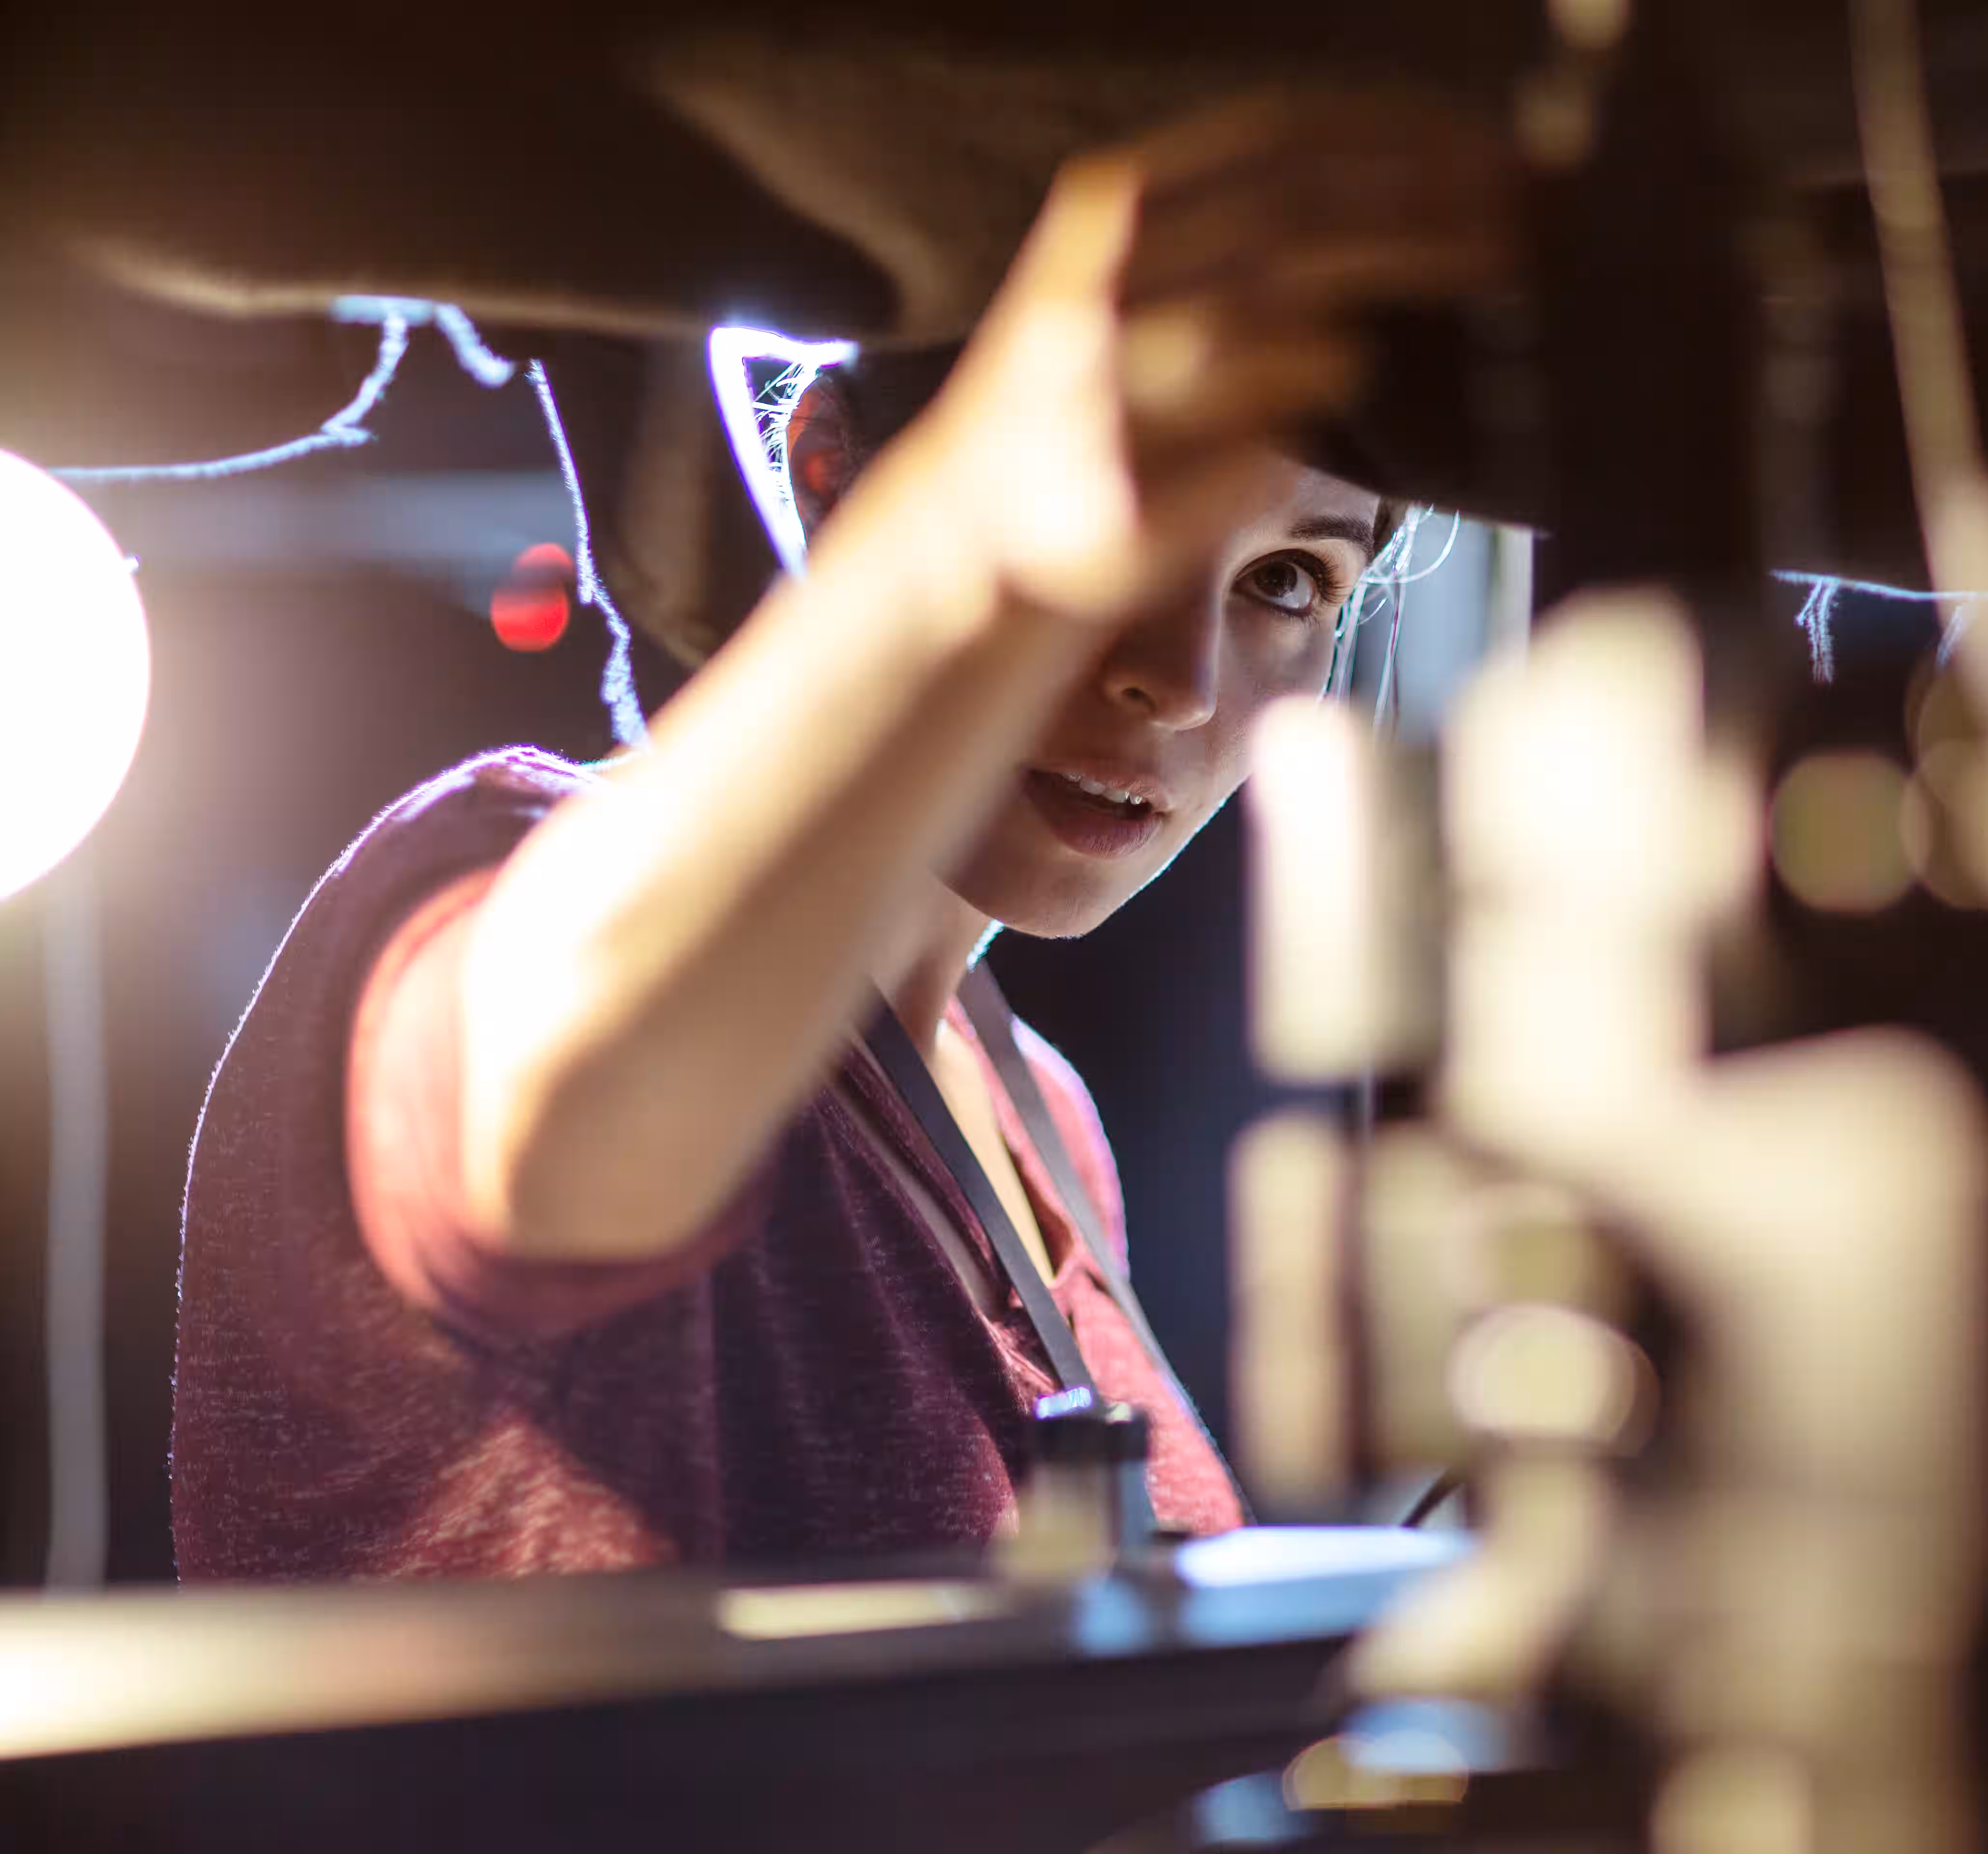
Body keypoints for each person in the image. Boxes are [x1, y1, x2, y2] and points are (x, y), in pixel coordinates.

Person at [171, 96, 1511, 1579]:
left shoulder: (1040, 1124)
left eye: (1282, 583)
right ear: (831, 467)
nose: (1180, 679)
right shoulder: (500, 885)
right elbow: (570, 1098)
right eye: (1122, 522)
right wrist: (986, 537)